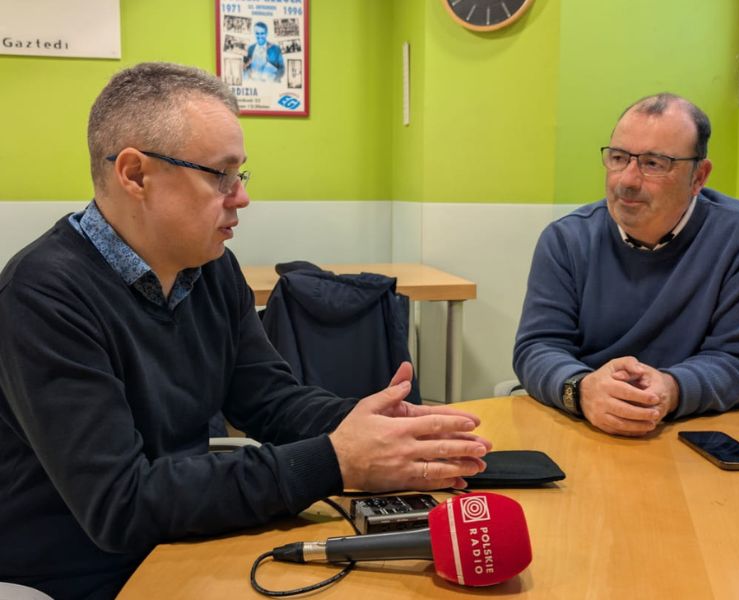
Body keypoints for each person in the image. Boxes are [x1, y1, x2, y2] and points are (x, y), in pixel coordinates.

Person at [0, 62, 490, 599]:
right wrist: (336, 458)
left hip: (183, 541)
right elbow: (121, 505)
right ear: (135, 174)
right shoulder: (41, 295)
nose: (241, 197)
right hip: (79, 573)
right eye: (220, 175)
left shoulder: (210, 268)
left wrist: (371, 426)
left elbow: (268, 399)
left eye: (241, 175)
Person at [513, 93, 739, 438]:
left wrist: (670, 389)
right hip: (585, 427)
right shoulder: (566, 239)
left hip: (690, 432)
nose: (626, 180)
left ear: (699, 176)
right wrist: (581, 390)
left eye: (654, 163)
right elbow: (537, 347)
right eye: (619, 157)